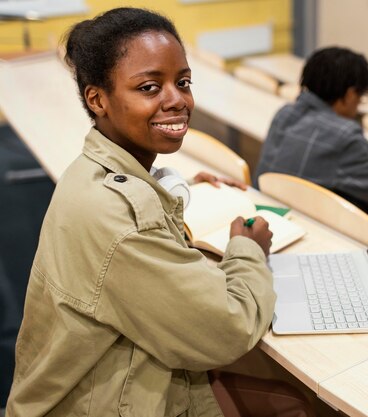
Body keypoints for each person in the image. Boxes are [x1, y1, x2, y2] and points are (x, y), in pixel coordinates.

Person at [6, 8, 312, 417]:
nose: (178, 100)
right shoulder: (114, 218)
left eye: (183, 82)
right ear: (97, 99)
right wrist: (247, 250)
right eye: (150, 87)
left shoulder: (93, 170)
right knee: (294, 405)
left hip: (101, 381)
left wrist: (170, 183)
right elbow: (228, 330)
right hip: (102, 402)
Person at [254, 46, 368, 215]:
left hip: (265, 210)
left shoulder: (285, 113)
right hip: (305, 224)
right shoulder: (343, 135)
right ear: (349, 94)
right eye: (361, 96)